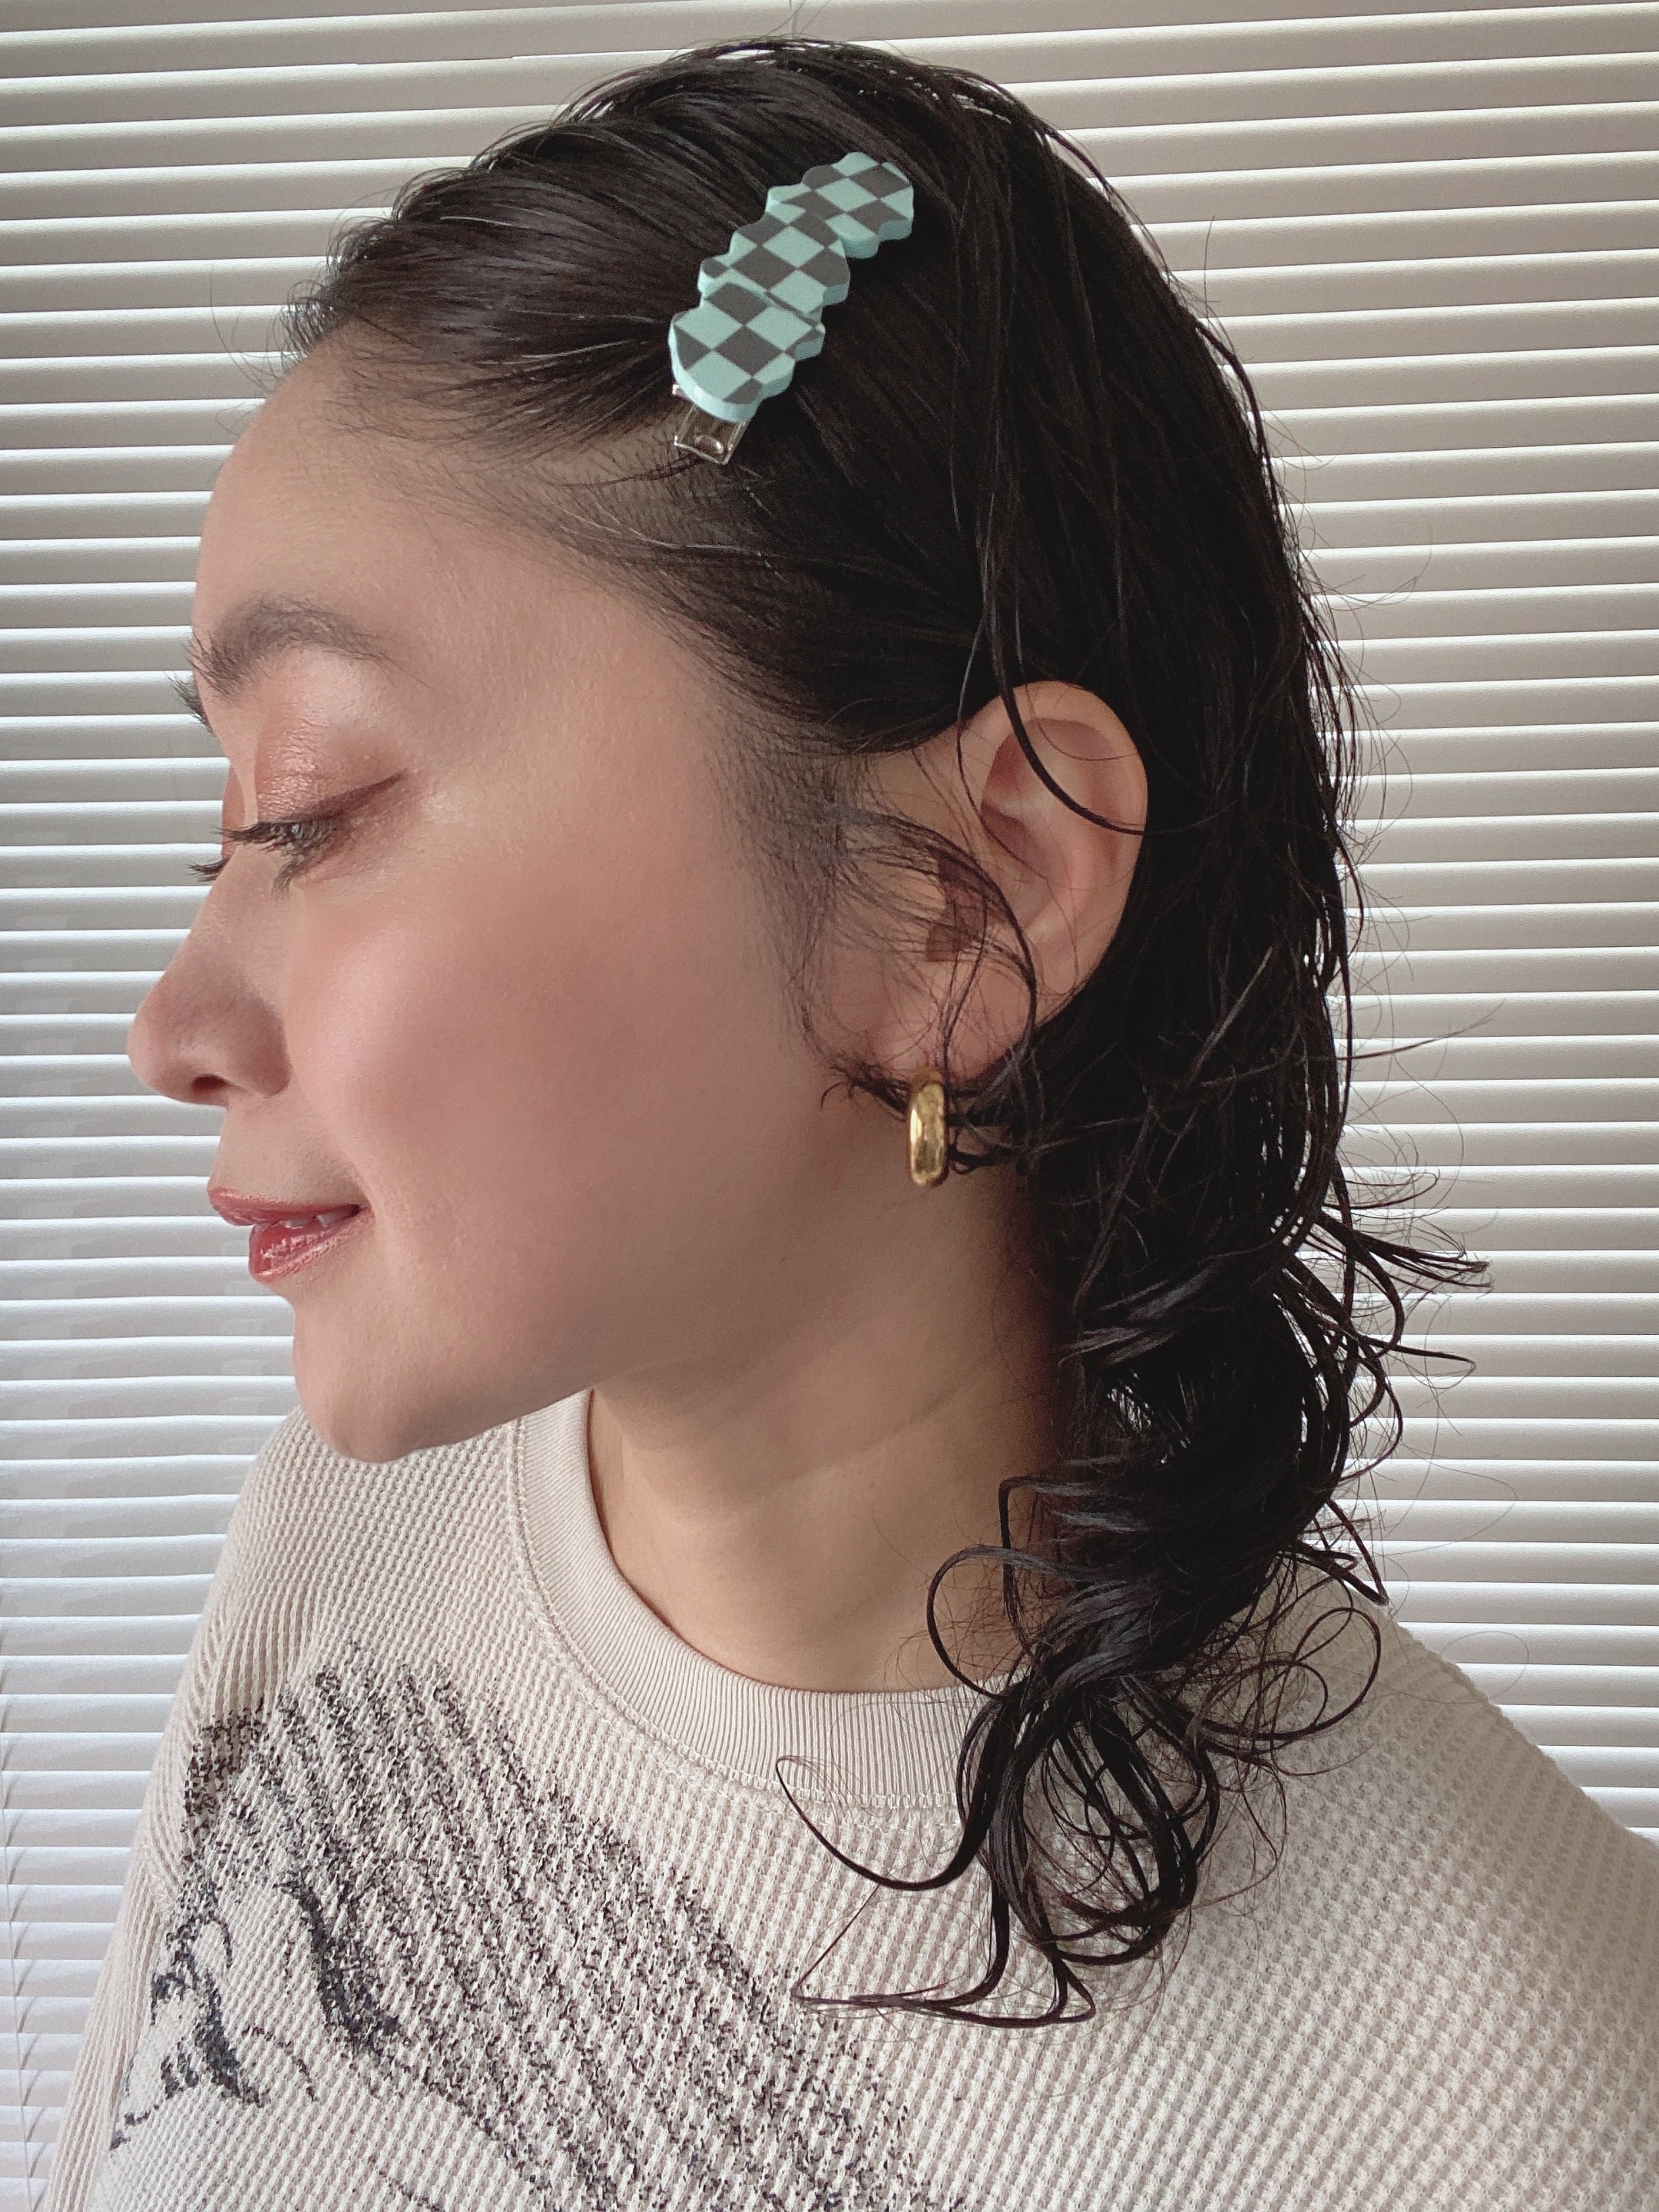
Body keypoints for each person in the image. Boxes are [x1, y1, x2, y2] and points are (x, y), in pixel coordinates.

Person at [48, 36, 1658, 2212]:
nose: (170, 1027)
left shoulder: (1532, 2092)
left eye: (311, 809)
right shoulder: (342, 1551)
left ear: (964, 898)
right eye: (226, 823)